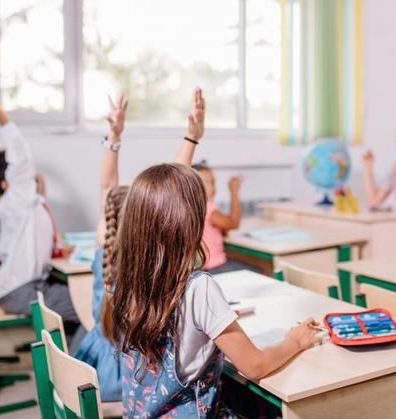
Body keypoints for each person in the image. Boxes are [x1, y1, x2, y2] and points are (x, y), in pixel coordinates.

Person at [112, 164, 322, 417]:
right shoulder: (198, 288)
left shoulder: (125, 281)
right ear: (189, 221)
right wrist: (295, 341)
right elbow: (254, 366)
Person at [74, 89, 207, 401]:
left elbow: (108, 186)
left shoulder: (105, 245)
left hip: (93, 365)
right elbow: (172, 191)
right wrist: (192, 138)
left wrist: (114, 135)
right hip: (130, 378)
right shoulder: (148, 264)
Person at [0, 96, 79, 329]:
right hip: (21, 291)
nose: (30, 175)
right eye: (19, 175)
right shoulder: (15, 201)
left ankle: (65, 360)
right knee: (88, 303)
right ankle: (71, 363)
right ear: (8, 182)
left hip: (24, 287)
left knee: (79, 298)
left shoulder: (26, 205)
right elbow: (20, 155)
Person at [192, 163, 260, 274]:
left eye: (213, 182)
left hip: (202, 268)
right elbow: (234, 223)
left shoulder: (193, 207)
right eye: (206, 183)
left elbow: (223, 231)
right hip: (215, 267)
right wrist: (234, 192)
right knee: (262, 272)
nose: (212, 187)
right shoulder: (207, 207)